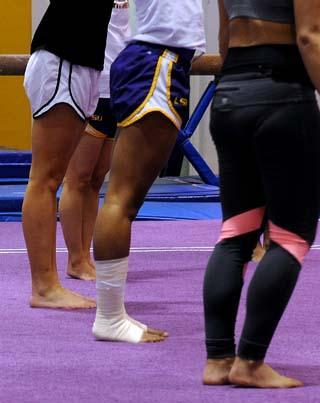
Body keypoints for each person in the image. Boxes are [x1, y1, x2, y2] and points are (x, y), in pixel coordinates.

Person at [202, 0, 320, 388]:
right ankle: (250, 360)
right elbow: (309, 34)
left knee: (236, 232)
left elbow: (224, 35)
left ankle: (218, 358)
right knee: (290, 236)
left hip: (230, 91)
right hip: (281, 94)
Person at [91, 0, 206, 342]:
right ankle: (109, 317)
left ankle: (112, 314)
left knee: (125, 200)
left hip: (158, 60)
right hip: (156, 61)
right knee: (121, 200)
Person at [22, 1, 113, 309]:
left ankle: (50, 283)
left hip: (85, 63)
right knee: (45, 179)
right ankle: (44, 286)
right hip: (63, 59)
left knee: (54, 178)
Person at [58, 1, 130, 282]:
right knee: (77, 178)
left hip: (117, 86)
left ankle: (85, 256)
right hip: (91, 83)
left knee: (97, 178)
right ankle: (74, 259)